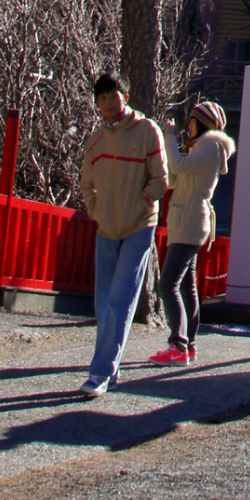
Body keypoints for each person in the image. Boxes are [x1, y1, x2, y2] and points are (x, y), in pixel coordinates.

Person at [77, 72, 170, 399]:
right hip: (106, 228)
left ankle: (99, 373)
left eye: (112, 95)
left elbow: (161, 179)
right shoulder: (95, 140)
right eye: (101, 97)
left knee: (120, 300)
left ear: (125, 96)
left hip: (138, 228)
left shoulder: (147, 131)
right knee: (103, 303)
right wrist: (95, 209)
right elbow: (86, 183)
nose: (106, 102)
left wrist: (142, 201)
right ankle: (112, 370)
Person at [151, 99, 235, 366]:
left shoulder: (210, 147)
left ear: (205, 124)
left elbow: (178, 167)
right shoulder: (201, 148)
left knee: (167, 284)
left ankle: (178, 344)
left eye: (193, 121)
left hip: (190, 221)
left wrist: (169, 136)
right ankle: (189, 344)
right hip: (185, 219)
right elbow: (175, 177)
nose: (188, 125)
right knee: (187, 286)